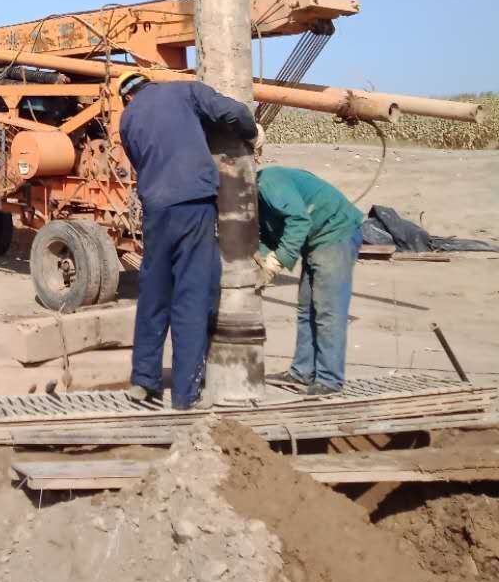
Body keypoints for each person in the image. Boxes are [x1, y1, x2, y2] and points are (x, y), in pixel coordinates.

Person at [119, 72, 261, 409]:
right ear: (148, 83)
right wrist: (250, 134)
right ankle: (185, 395)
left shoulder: (127, 119)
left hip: (156, 209)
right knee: (191, 296)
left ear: (126, 97)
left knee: (154, 294)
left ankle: (143, 382)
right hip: (193, 204)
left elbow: (140, 160)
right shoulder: (185, 91)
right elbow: (235, 112)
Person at [255, 166, 364, 396]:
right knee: (306, 308)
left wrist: (276, 262)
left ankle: (329, 380)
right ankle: (302, 371)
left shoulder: (268, 184)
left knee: (328, 311)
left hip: (334, 232)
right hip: (314, 238)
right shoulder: (256, 200)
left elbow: (298, 220)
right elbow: (268, 234)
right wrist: (261, 261)